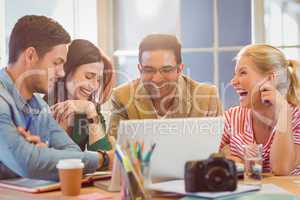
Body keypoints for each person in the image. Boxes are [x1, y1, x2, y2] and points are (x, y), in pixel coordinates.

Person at [0, 15, 113, 181]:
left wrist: (41, 155)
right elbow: (30, 164)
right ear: (30, 55)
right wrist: (105, 158)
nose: (61, 72)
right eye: (56, 63)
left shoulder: (38, 105)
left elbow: (72, 153)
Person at [108, 34, 222, 138]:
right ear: (140, 69)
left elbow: (219, 148)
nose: (156, 79)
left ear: (179, 69)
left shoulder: (207, 97)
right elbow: (114, 149)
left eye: (166, 70)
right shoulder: (122, 97)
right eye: (148, 70)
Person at [219, 44, 300, 175]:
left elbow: (281, 169)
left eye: (243, 73)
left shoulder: (296, 117)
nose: (233, 82)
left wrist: (284, 111)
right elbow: (203, 156)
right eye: (235, 74)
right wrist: (224, 157)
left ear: (269, 78)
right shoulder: (232, 117)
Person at [45, 39, 115, 151]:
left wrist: (90, 110)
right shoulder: (42, 108)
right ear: (67, 70)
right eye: (88, 76)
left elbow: (104, 156)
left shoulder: (89, 111)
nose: (94, 86)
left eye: (98, 80)